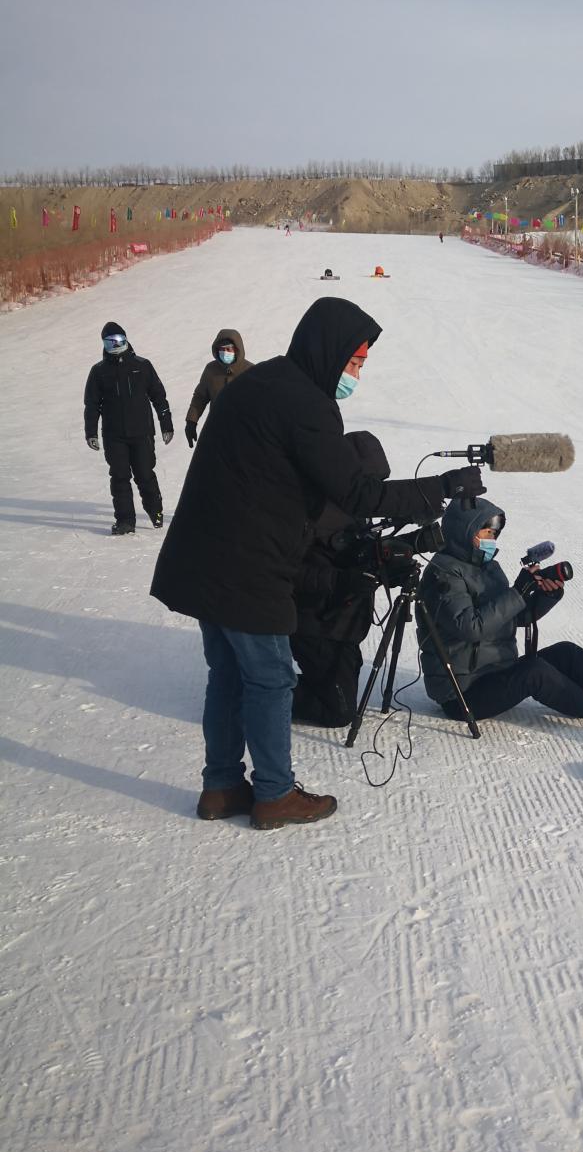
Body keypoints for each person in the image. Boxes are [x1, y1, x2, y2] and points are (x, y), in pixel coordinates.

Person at [150, 297, 484, 830]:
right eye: (353, 363)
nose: (355, 374)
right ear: (327, 350)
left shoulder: (264, 383)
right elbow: (356, 493)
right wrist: (439, 488)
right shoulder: (303, 403)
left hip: (203, 555)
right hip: (243, 563)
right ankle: (274, 795)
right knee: (270, 678)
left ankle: (220, 787)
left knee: (230, 674)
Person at [418, 495, 583, 727]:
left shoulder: (487, 568)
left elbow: (511, 618)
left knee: (565, 653)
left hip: (493, 672)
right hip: (462, 693)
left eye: (495, 534)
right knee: (533, 671)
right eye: (486, 533)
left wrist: (547, 595)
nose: (492, 539)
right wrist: (517, 592)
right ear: (464, 532)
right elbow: (471, 628)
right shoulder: (443, 574)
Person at [291, 431, 394, 727]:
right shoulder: (311, 512)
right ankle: (258, 689)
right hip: (313, 622)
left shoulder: (356, 513)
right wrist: (340, 580)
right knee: (338, 713)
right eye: (368, 484)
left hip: (342, 625)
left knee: (341, 691)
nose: (373, 494)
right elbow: (291, 572)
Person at [83, 321, 174, 534]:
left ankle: (156, 512)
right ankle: (125, 521)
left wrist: (166, 424)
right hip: (115, 436)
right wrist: (91, 432)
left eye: (119, 340)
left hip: (142, 433)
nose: (115, 345)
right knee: (119, 476)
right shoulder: (98, 371)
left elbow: (159, 397)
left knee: (144, 474)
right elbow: (92, 405)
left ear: (126, 339)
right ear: (104, 344)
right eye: (110, 342)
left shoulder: (142, 365)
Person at [185, 330, 252, 447]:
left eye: (228, 349)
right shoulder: (211, 370)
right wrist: (191, 421)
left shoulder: (250, 371)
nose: (225, 353)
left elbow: (261, 404)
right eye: (222, 350)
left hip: (244, 435)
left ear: (237, 350)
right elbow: (200, 397)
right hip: (216, 432)